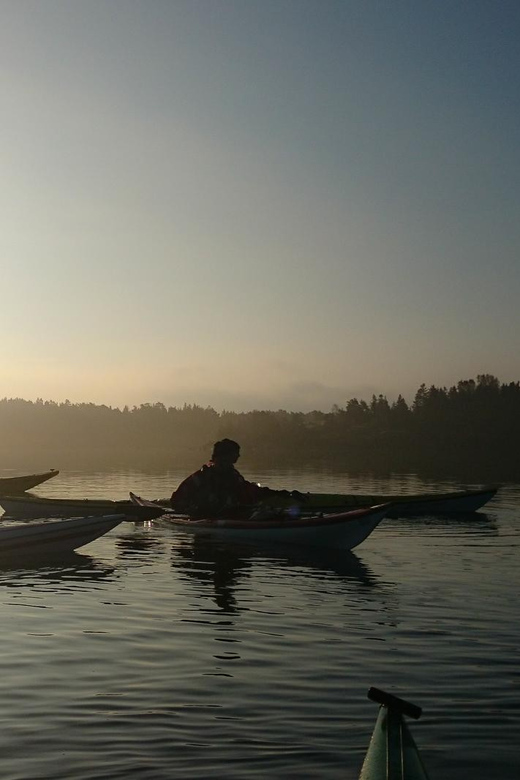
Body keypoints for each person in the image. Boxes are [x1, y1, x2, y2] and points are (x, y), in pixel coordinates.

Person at [171, 438, 304, 516]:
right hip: (207, 519)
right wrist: (192, 511)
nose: (238, 457)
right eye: (235, 454)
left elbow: (250, 491)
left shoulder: (233, 476)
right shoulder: (200, 477)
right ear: (224, 456)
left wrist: (283, 494)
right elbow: (177, 500)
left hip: (230, 515)